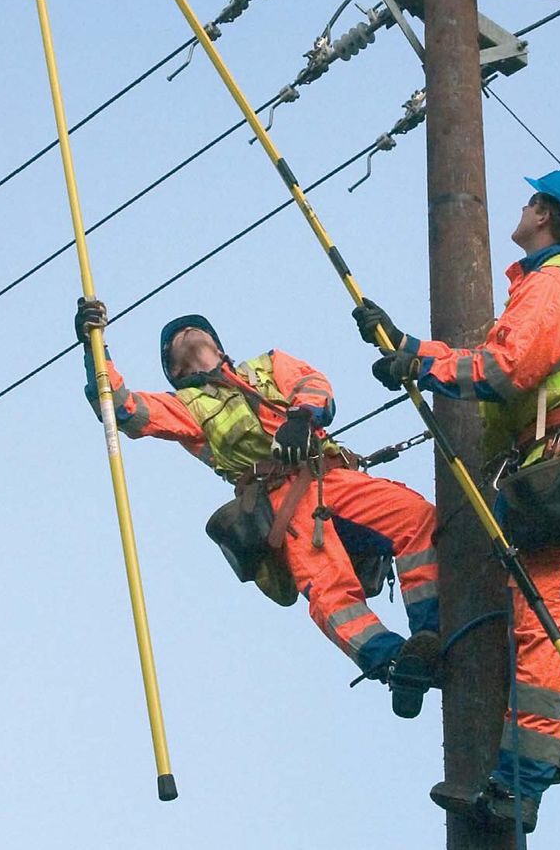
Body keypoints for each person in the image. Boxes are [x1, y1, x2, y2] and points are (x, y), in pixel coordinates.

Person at [353, 168, 560, 834]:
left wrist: (421, 366)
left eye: (531, 201)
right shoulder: (547, 288)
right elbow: (496, 365)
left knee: (541, 629)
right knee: (535, 622)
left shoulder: (556, 284)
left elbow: (502, 371)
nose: (522, 209)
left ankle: (520, 785)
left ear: (547, 213)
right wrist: (404, 349)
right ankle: (537, 763)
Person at [75, 306, 442, 716]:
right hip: (282, 502)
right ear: (175, 372)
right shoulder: (187, 407)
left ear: (217, 344)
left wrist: (302, 415)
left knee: (414, 516)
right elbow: (122, 409)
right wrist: (95, 349)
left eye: (194, 330)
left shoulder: (267, 366)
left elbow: (313, 382)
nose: (185, 335)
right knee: (326, 587)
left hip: (327, 474)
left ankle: (432, 630)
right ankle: (393, 661)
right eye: (175, 343)